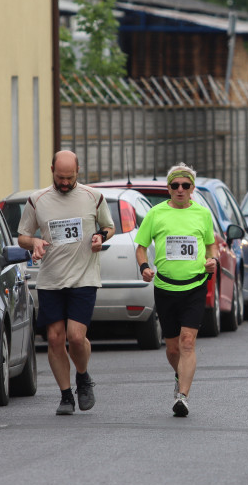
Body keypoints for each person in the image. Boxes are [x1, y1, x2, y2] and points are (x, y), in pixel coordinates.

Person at [17, 150, 114, 415]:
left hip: (84, 276)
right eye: (60, 177)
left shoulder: (93, 197)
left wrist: (100, 237)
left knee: (76, 336)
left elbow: (108, 226)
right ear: (52, 171)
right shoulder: (38, 200)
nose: (64, 183)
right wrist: (35, 241)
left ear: (78, 172)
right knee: (55, 338)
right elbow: (22, 236)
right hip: (51, 279)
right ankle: (65, 395)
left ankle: (82, 377)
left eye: (69, 178)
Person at [135, 163, 219, 417]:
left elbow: (211, 245)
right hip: (165, 287)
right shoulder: (156, 214)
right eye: (175, 185)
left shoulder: (202, 214)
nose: (180, 190)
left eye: (185, 185)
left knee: (187, 341)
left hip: (194, 285)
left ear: (192, 188)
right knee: (172, 348)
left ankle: (183, 396)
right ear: (168, 188)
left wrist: (211, 261)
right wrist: (144, 267)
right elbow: (140, 246)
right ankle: (178, 374)